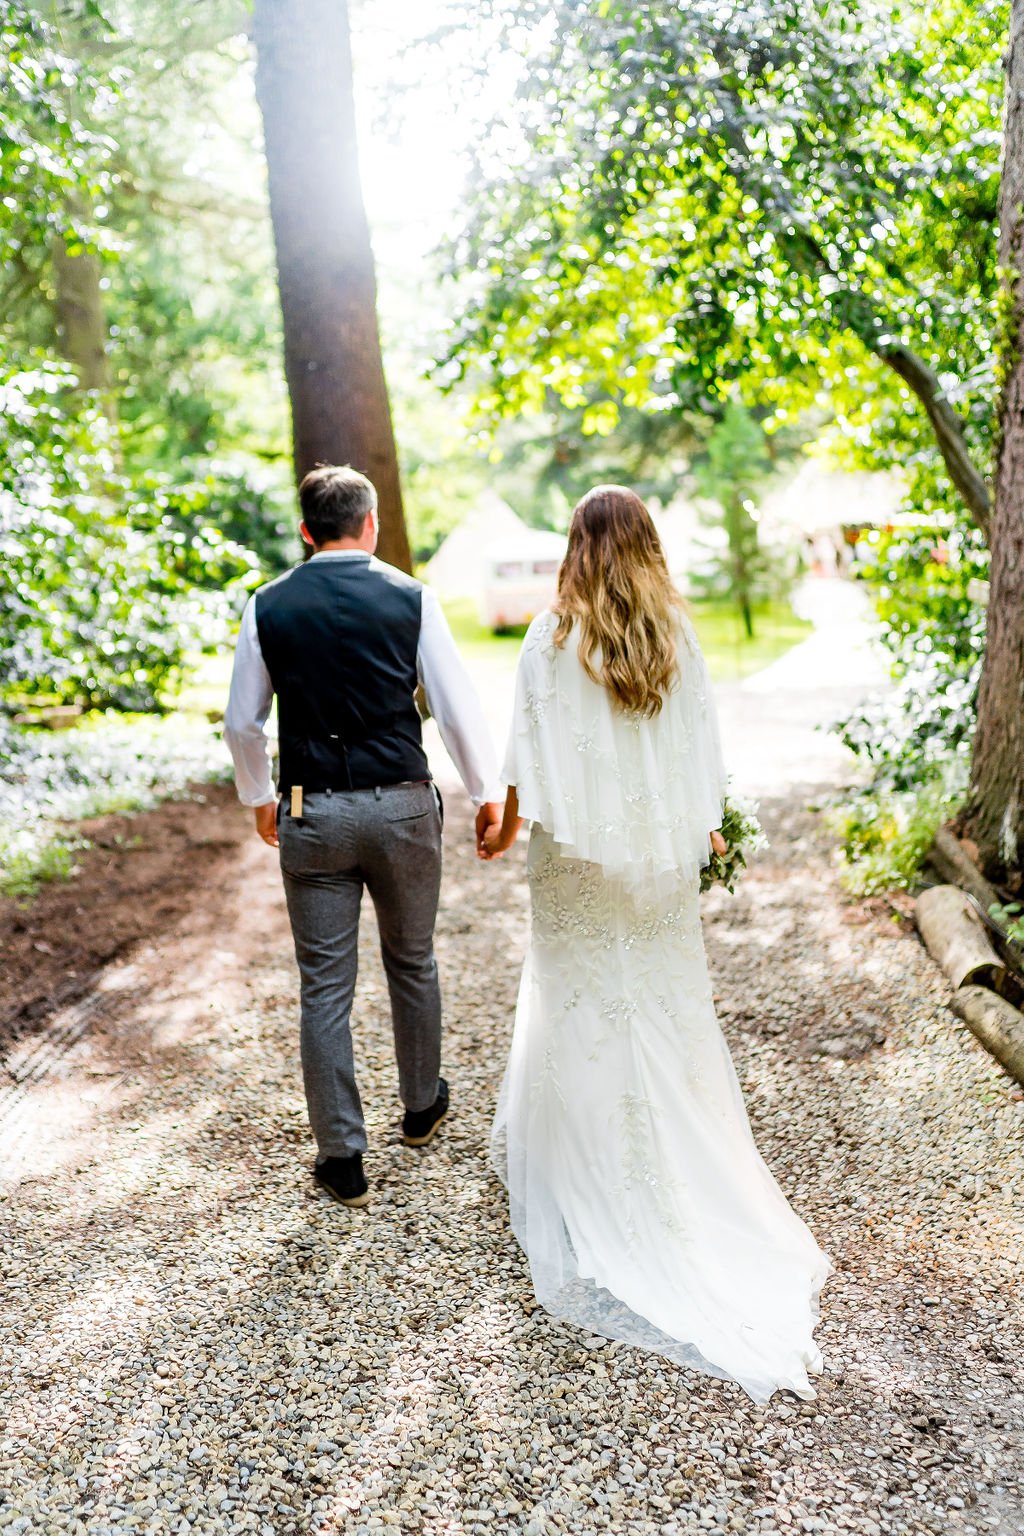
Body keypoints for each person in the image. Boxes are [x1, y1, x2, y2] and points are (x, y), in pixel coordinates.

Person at [480, 485, 830, 1403]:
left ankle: (584, 1177)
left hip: (575, 865)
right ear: (648, 544)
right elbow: (704, 756)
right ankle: (680, 1169)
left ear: (574, 546)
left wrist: (504, 825)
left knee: (579, 1007)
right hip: (656, 872)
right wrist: (706, 832)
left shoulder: (550, 640)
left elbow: (523, 756)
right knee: (665, 1012)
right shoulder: (678, 639)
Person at [224, 465, 502, 1209]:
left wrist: (259, 796)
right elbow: (455, 707)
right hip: (404, 808)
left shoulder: (268, 605)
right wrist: (487, 794)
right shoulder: (413, 598)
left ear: (307, 530)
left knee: (324, 986)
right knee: (413, 959)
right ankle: (419, 1108)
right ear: (371, 522)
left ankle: (342, 1156)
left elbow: (241, 722)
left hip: (312, 810)